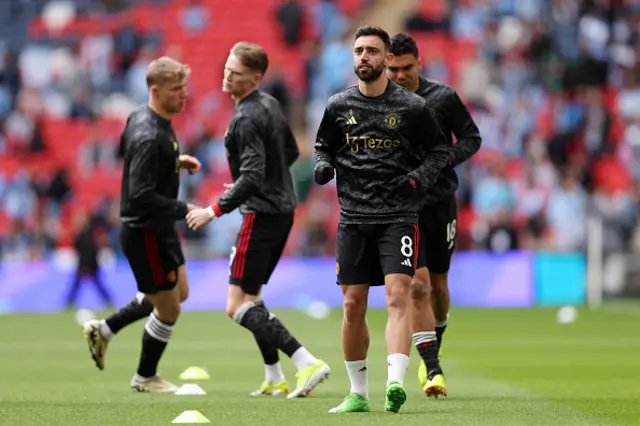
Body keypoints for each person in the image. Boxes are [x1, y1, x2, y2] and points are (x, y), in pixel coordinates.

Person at [313, 26, 450, 414]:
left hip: (398, 217)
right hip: (353, 218)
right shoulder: (338, 106)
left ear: (386, 59)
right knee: (353, 304)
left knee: (397, 295)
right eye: (358, 51)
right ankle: (358, 393)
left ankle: (394, 382)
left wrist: (418, 178)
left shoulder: (411, 107)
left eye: (372, 51)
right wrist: (323, 165)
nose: (363, 57)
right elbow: (324, 146)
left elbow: (439, 151)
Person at [186, 41, 330, 399]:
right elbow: (292, 152)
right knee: (254, 297)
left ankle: (306, 361)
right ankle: (274, 375)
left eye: (234, 73)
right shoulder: (269, 104)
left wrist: (212, 210)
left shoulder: (246, 116)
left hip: (261, 214)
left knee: (236, 305)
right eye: (226, 69)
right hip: (281, 211)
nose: (227, 76)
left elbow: (251, 178)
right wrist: (262, 178)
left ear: (254, 78)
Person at [81, 56, 203, 393]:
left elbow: (131, 157)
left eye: (184, 88)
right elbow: (138, 195)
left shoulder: (143, 117)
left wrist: (172, 163)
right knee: (169, 307)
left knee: (178, 292)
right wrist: (183, 207)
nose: (184, 95)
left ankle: (103, 329)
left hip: (159, 227)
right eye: (177, 89)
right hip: (146, 230)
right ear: (155, 90)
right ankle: (145, 377)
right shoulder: (150, 134)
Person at [387, 32, 482, 391]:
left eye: (406, 68)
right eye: (392, 69)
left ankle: (432, 355)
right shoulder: (379, 102)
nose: (399, 76)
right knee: (418, 286)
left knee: (439, 287)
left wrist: (445, 160)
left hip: (439, 204)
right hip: (402, 208)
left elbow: (472, 138)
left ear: (419, 63)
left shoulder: (443, 98)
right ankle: (432, 367)